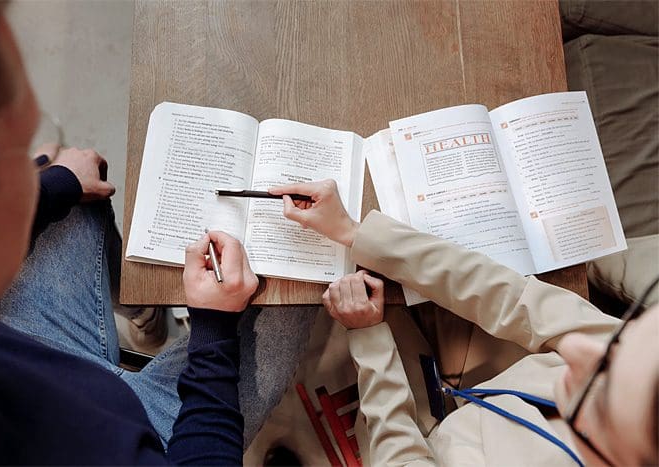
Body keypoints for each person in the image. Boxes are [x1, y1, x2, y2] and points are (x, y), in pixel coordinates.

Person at [0, 3, 316, 463]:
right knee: (292, 288)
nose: (33, 167)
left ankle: (142, 315)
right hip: (155, 442)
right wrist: (212, 327)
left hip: (38, 370)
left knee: (72, 194)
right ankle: (150, 317)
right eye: (19, 156)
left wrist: (57, 182)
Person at [269, 179, 659, 466]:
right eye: (619, 341)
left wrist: (370, 340)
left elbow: (402, 460)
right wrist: (355, 232)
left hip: (421, 440)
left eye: (603, 389)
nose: (576, 345)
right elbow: (512, 297)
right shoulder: (643, 372)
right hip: (483, 380)